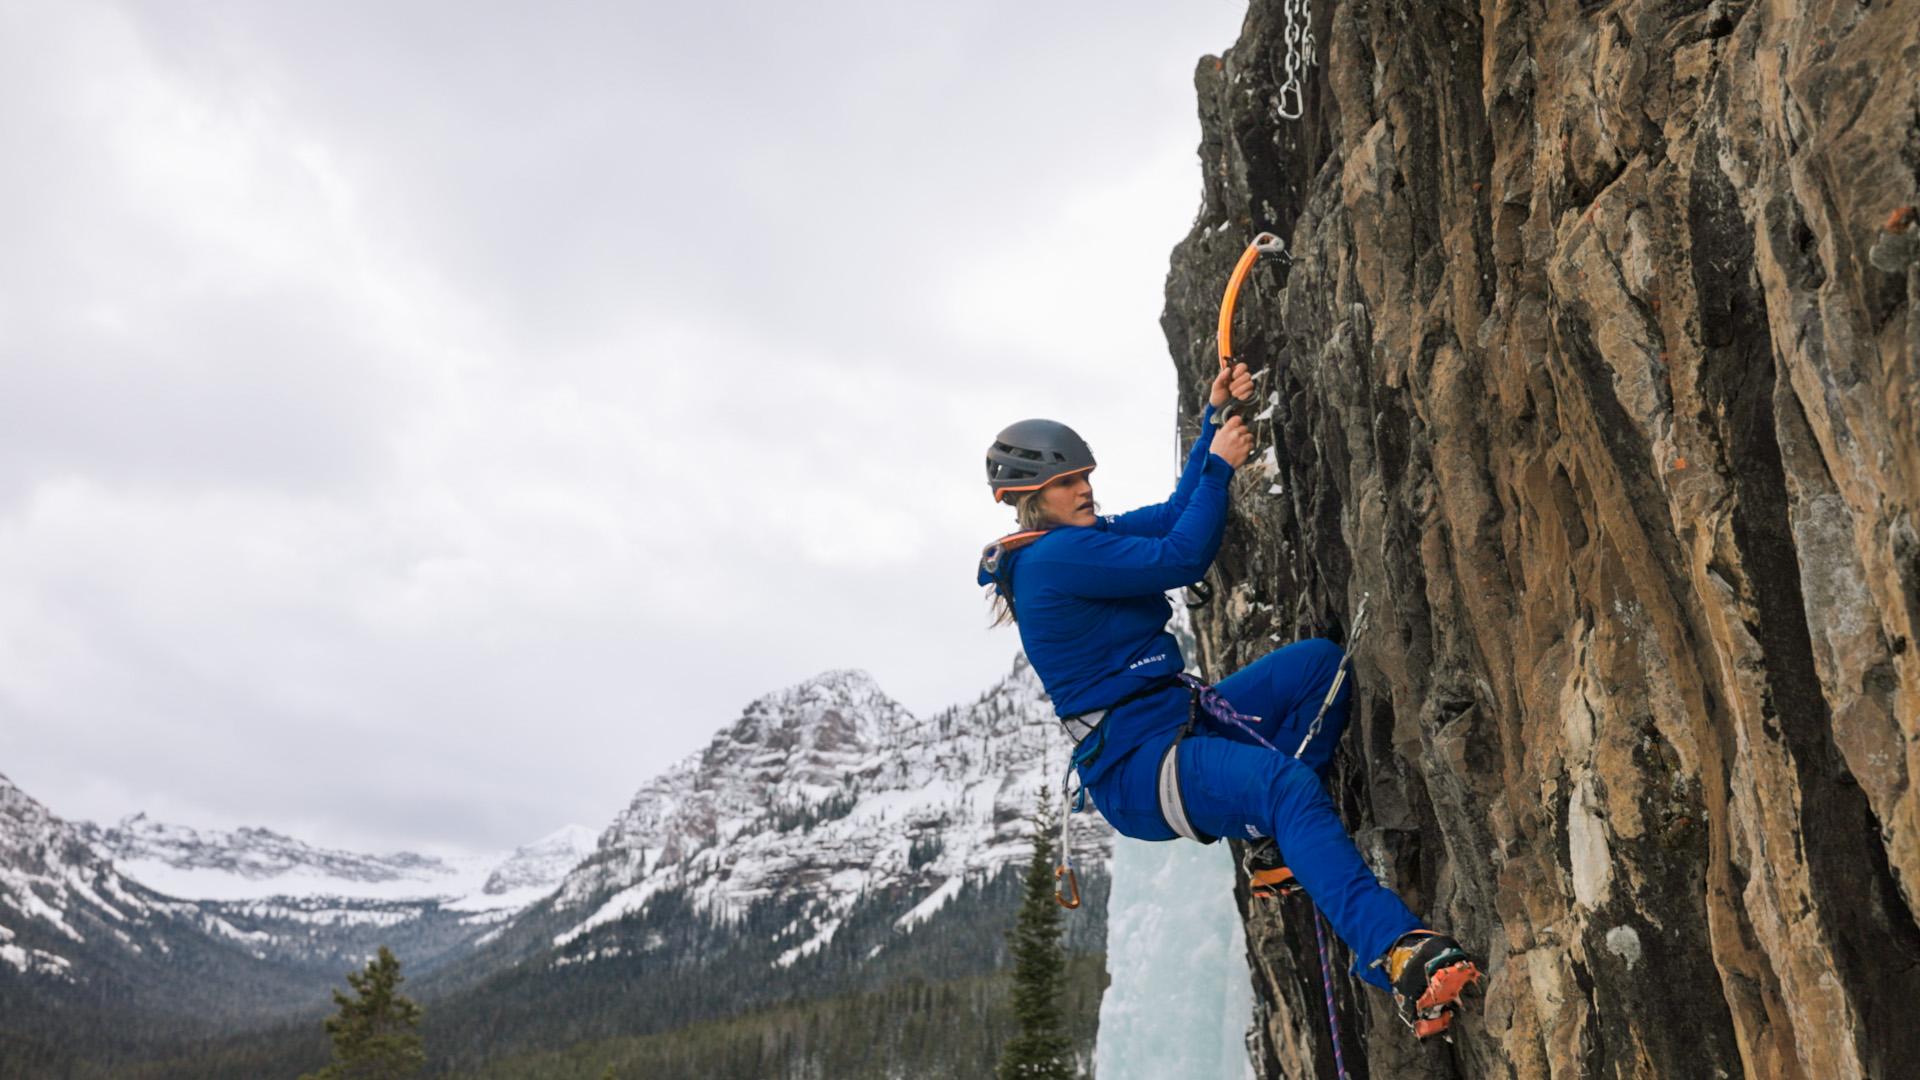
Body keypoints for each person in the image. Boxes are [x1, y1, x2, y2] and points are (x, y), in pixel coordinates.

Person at [976, 363, 1481, 1038]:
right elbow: (1183, 555)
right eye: (1069, 482)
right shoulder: (1051, 562)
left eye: (1085, 476)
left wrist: (1213, 420)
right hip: (1140, 768)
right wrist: (1217, 469)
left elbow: (1167, 519)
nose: (1084, 489)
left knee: (1317, 669)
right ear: (1030, 496)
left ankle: (1276, 852)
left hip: (1171, 726)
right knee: (1287, 787)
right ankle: (1394, 951)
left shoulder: (1074, 544)